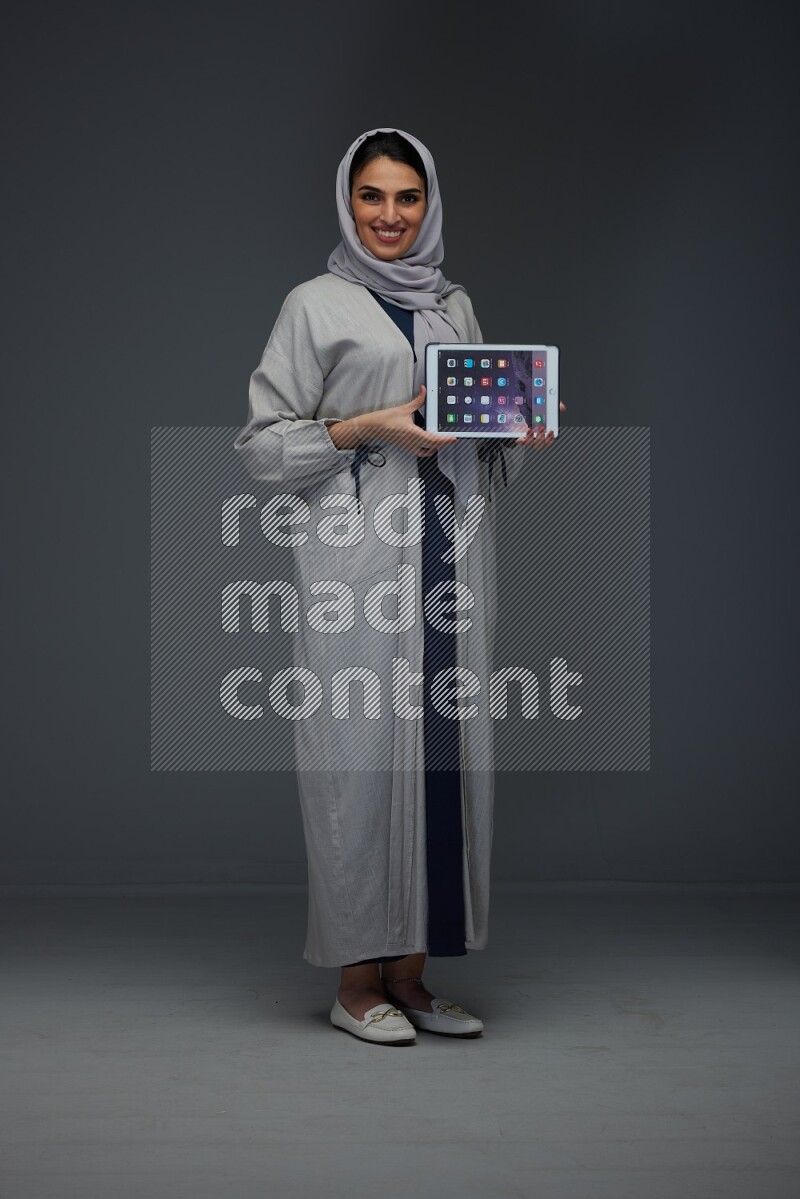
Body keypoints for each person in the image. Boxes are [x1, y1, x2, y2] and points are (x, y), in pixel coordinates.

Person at [233, 127, 563, 1045]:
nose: (389, 215)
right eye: (372, 196)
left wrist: (517, 428)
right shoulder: (314, 305)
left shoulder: (455, 305)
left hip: (449, 559)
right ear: (348, 201)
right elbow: (262, 447)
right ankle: (354, 981)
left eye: (406, 197)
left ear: (429, 204)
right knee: (357, 759)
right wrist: (363, 427)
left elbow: (475, 438)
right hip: (357, 564)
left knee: (442, 756)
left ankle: (413, 976)